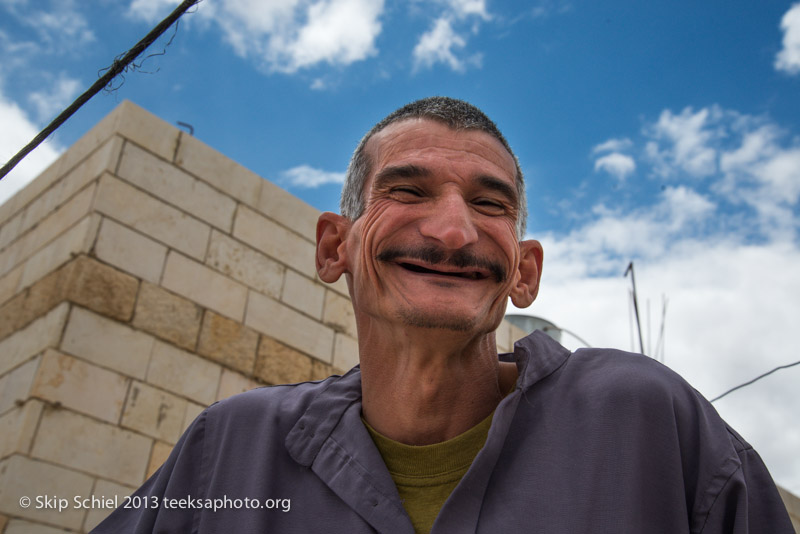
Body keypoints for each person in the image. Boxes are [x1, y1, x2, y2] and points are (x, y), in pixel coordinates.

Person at [92, 97, 794, 533]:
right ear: (335, 245)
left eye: (489, 204)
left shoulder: (651, 423)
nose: (454, 231)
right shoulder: (228, 451)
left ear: (525, 273)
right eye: (408, 189)